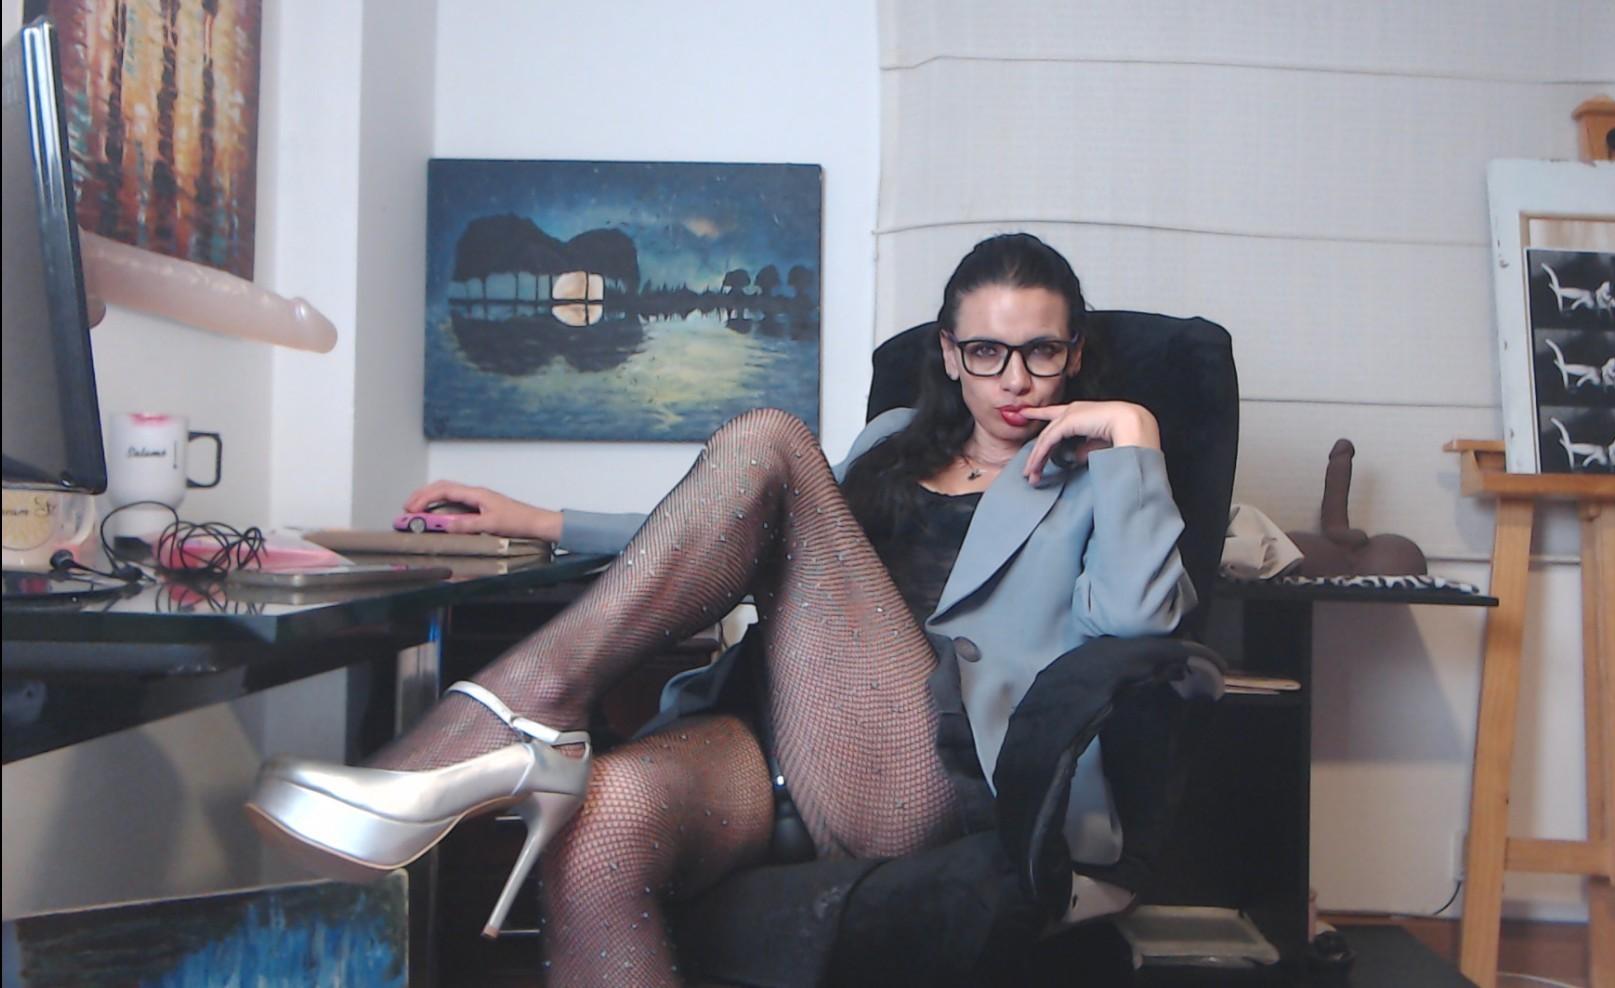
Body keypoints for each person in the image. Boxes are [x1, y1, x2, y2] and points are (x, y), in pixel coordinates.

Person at [245, 232, 1196, 986]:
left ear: (1075, 353)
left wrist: (1133, 434)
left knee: (771, 441)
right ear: (949, 354)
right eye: (987, 351)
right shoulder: (893, 442)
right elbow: (718, 529)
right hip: (787, 740)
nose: (1016, 380)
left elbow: (1142, 620)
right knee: (602, 817)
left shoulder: (1098, 479)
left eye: (1042, 351)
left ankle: (492, 723)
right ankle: (518, 724)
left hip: (940, 772)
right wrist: (536, 519)